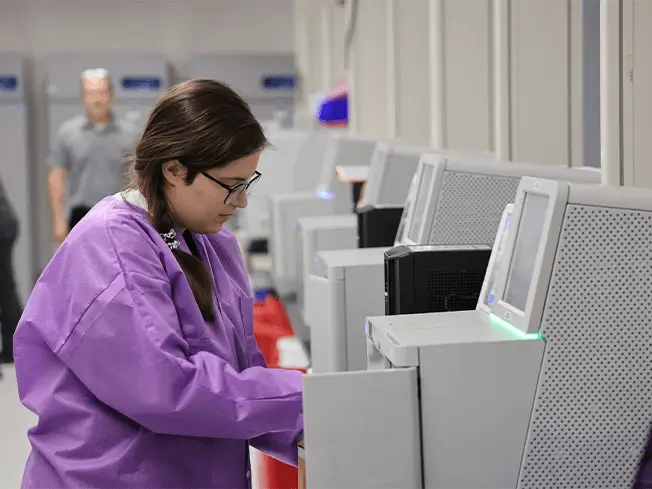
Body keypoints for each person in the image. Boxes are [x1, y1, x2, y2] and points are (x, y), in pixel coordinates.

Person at [14, 79, 304, 488]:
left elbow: (239, 380)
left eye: (247, 182)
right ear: (173, 169)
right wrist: (304, 395)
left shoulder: (212, 243)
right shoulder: (111, 246)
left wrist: (315, 424)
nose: (241, 202)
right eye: (231, 185)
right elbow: (168, 389)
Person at [48, 68, 138, 243]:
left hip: (119, 215)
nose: (97, 99)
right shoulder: (68, 133)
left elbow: (136, 180)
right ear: (83, 96)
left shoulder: (129, 135)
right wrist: (58, 219)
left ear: (111, 94)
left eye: (102, 92)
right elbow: (56, 177)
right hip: (80, 215)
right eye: (91, 93)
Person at [0, 177, 22, 364]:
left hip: (2, 227)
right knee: (7, 290)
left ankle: (14, 348)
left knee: (6, 290)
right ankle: (13, 348)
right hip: (6, 224)